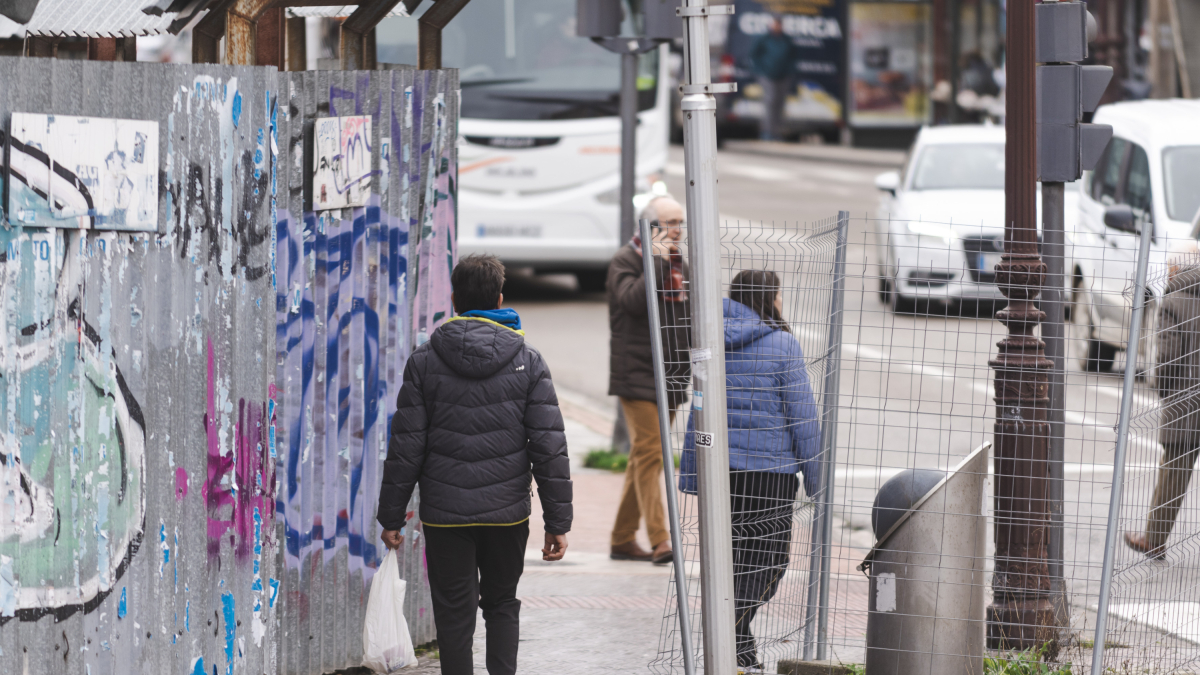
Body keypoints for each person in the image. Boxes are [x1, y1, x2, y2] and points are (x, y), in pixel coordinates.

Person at [378, 254, 572, 675]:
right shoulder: (529, 361)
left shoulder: (425, 360)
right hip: (506, 515)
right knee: (502, 604)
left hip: (446, 516)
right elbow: (549, 448)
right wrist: (558, 521)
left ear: (454, 299)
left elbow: (406, 446)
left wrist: (390, 515)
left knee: (453, 614)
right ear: (500, 298)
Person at [680, 270, 821, 671]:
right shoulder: (782, 345)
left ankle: (736, 649)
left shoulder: (708, 342)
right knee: (770, 563)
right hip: (769, 474)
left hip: (719, 473)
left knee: (732, 561)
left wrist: (693, 472)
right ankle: (735, 646)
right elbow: (803, 418)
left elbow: (700, 408)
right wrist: (817, 482)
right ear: (769, 297)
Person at [607, 195, 691, 564]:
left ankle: (622, 538)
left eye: (680, 224)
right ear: (650, 227)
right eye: (670, 223)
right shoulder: (626, 261)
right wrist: (655, 259)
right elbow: (634, 302)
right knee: (652, 453)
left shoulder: (678, 265)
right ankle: (661, 539)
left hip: (672, 373)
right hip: (638, 373)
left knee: (644, 457)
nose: (677, 231)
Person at [1125, 246, 1200, 560]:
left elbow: (1168, 354)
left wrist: (1161, 386)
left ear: (1175, 271)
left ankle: (1154, 538)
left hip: (1185, 401)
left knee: (1174, 469)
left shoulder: (1173, 302)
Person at [750, 18, 795, 141]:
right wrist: (760, 71)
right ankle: (767, 132)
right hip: (767, 76)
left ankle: (777, 132)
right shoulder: (764, 39)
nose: (777, 26)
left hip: (783, 77)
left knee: (780, 105)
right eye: (775, 24)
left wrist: (790, 72)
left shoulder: (787, 39)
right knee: (770, 102)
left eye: (779, 24)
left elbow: (793, 57)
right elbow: (754, 55)